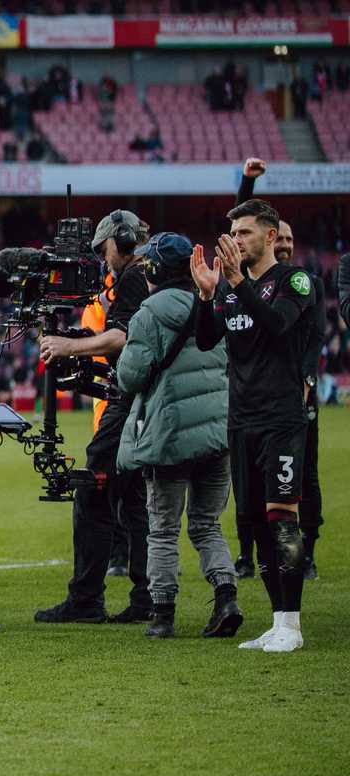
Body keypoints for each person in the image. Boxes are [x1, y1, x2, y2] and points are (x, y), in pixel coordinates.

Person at [190, 198, 314, 653]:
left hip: (281, 417)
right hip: (240, 420)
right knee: (256, 524)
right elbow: (206, 339)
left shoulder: (293, 281)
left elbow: (279, 326)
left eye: (243, 233)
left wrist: (237, 282)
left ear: (268, 235)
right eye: (233, 233)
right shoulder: (228, 287)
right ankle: (278, 621)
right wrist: (207, 295)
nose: (235, 240)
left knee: (283, 520)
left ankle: (294, 625)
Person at [113, 233, 241, 640]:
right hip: (218, 432)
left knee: (163, 527)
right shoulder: (217, 303)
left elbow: (131, 377)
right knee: (207, 524)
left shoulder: (148, 313)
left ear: (153, 270)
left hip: (169, 436)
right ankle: (226, 597)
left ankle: (163, 613)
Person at [33, 209, 153, 625]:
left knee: (93, 490)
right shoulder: (148, 274)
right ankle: (146, 597)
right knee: (136, 500)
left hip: (128, 403)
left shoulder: (134, 277)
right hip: (144, 403)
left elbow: (121, 338)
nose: (103, 260)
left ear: (120, 242)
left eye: (104, 250)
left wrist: (67, 347)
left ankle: (86, 599)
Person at [239, 159, 325, 579]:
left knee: (301, 481)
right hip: (249, 409)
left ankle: (305, 553)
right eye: (282, 237)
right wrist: (247, 184)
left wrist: (308, 376)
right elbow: (241, 231)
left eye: (290, 238)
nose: (287, 244)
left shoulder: (301, 281)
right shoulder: (249, 281)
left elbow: (313, 336)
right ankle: (255, 559)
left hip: (292, 397)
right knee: (254, 503)